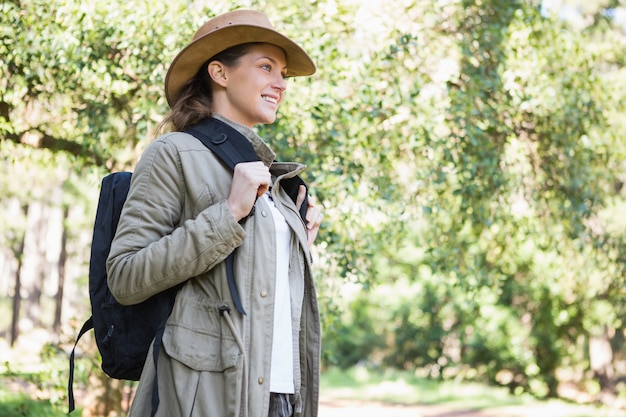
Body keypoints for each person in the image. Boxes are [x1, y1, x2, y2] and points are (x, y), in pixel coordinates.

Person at [106, 9, 323, 417]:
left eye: (283, 74)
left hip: (279, 397)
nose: (280, 83)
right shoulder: (172, 153)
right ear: (220, 73)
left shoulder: (272, 179)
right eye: (266, 67)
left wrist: (299, 240)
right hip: (207, 399)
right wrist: (229, 213)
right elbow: (125, 276)